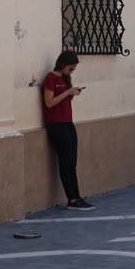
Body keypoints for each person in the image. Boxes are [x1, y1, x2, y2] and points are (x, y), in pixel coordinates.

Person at [43, 50, 93, 211]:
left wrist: (73, 92)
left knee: (72, 162)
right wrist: (67, 93)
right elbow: (49, 103)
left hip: (68, 123)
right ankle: (71, 199)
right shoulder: (51, 79)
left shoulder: (65, 79)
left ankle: (77, 196)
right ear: (63, 64)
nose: (72, 71)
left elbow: (63, 99)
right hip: (56, 125)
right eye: (71, 68)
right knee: (65, 163)